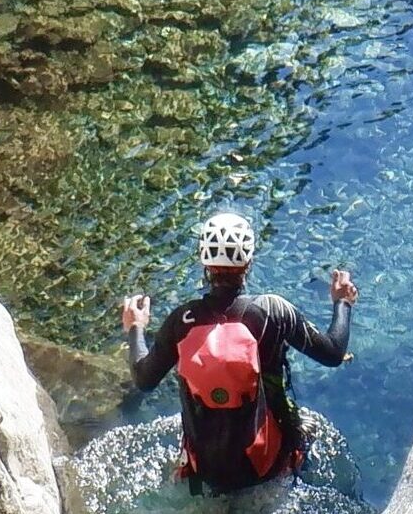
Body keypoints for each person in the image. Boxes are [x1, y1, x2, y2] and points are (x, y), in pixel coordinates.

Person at [121, 211, 356, 494]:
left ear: (204, 263)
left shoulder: (182, 321)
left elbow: (143, 379)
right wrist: (342, 302)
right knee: (308, 428)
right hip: (266, 465)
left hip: (206, 469)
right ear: (249, 261)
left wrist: (136, 328)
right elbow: (332, 353)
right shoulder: (273, 311)